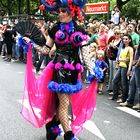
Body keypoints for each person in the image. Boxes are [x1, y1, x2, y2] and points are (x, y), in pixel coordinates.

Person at [20, 0, 102, 140]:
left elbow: (85, 54)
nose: (60, 14)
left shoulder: (80, 30)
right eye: (59, 11)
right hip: (59, 69)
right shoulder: (54, 28)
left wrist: (93, 71)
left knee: (65, 103)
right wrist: (31, 44)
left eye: (63, 11)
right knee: (64, 103)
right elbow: (45, 50)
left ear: (72, 12)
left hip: (74, 71)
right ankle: (69, 135)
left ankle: (52, 125)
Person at [111, 34, 134, 103]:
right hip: (120, 66)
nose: (124, 40)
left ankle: (124, 98)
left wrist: (129, 69)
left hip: (125, 67)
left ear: (130, 40)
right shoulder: (122, 48)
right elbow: (119, 58)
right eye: (123, 39)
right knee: (115, 80)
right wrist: (119, 62)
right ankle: (115, 96)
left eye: (126, 39)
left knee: (124, 83)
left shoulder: (130, 49)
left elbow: (131, 60)